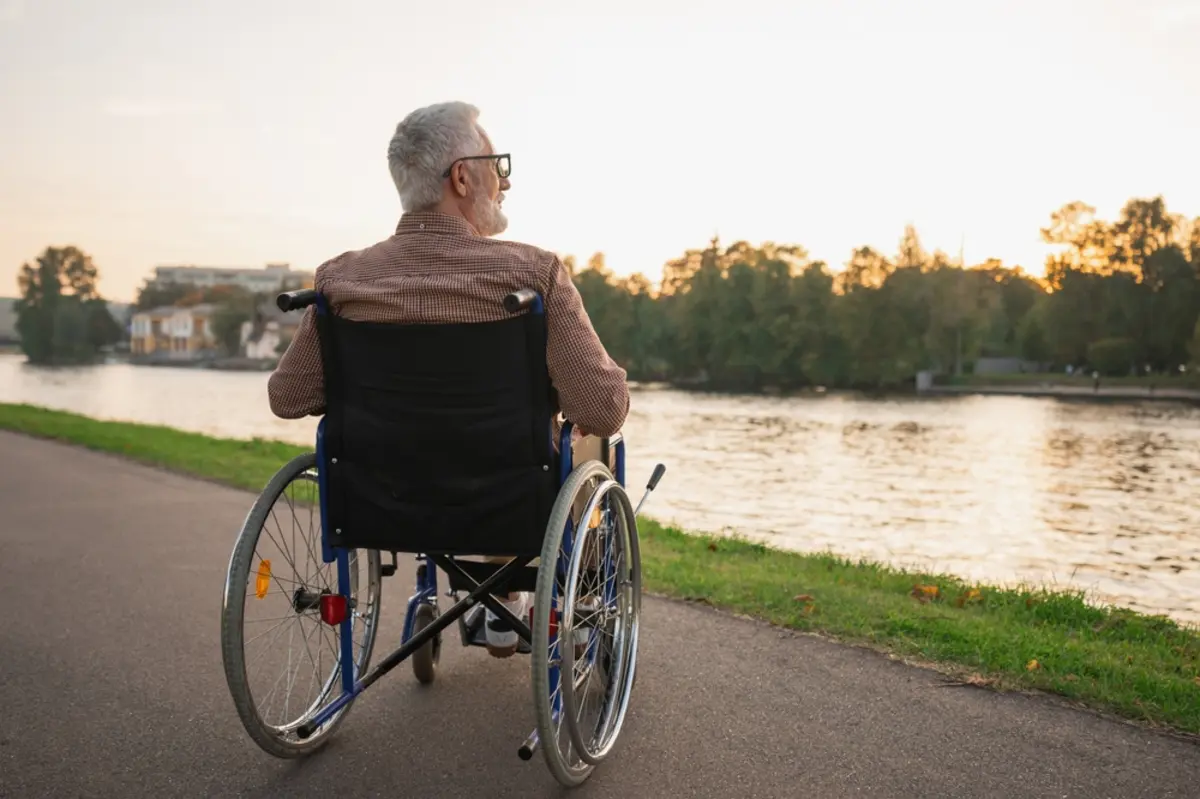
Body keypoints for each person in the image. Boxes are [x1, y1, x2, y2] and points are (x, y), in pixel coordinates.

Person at [267, 101, 630, 657]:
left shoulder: (340, 281)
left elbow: (288, 397)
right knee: (596, 437)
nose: (503, 183)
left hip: (380, 499)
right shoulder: (533, 274)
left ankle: (500, 601)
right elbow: (603, 409)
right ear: (462, 177)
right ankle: (525, 596)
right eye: (495, 166)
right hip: (507, 496)